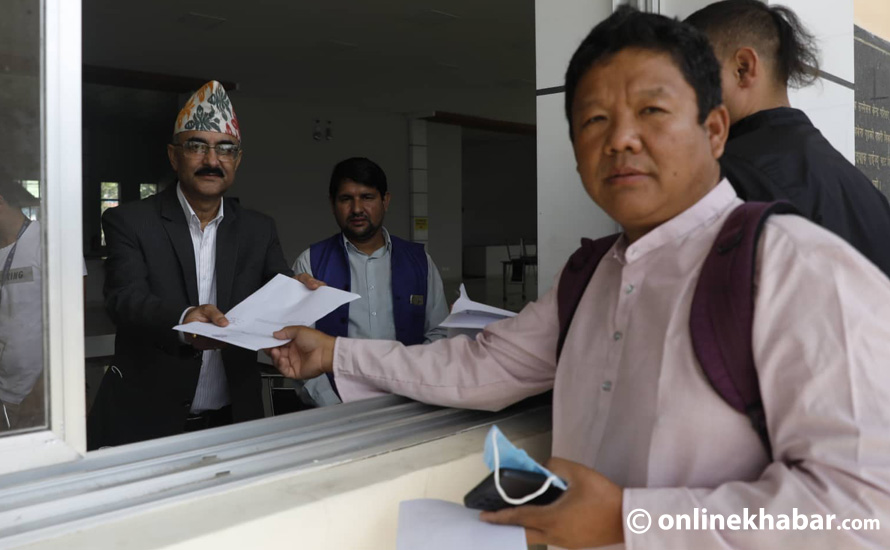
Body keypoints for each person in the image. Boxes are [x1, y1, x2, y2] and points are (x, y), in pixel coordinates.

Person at [267, 8, 890, 549]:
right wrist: (336, 352)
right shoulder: (590, 276)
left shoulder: (794, 266)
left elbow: (865, 511)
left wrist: (630, 519)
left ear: (715, 129)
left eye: (652, 110)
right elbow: (480, 367)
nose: (621, 139)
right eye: (594, 120)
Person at [88, 81, 293, 448]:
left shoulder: (259, 229)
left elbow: (278, 293)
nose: (212, 161)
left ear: (237, 160)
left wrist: (301, 293)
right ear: (173, 155)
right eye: (197, 146)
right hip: (145, 421)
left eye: (225, 149)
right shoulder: (131, 221)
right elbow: (124, 298)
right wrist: (184, 320)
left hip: (234, 421)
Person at [686, 0, 890, 276]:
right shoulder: (855, 185)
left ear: (743, 68)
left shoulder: (730, 179)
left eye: (689, 76)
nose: (678, 96)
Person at [292, 157, 448, 405]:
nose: (356, 209)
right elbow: (298, 345)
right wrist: (333, 408)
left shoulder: (419, 261)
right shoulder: (310, 263)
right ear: (332, 204)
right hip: (337, 406)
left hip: (410, 401)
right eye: (346, 199)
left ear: (385, 201)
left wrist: (418, 393)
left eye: (367, 197)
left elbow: (439, 334)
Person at [0, 181, 44, 432]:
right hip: (4, 392)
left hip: (37, 395)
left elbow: (72, 319)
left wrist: (43, 389)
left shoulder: (46, 240)